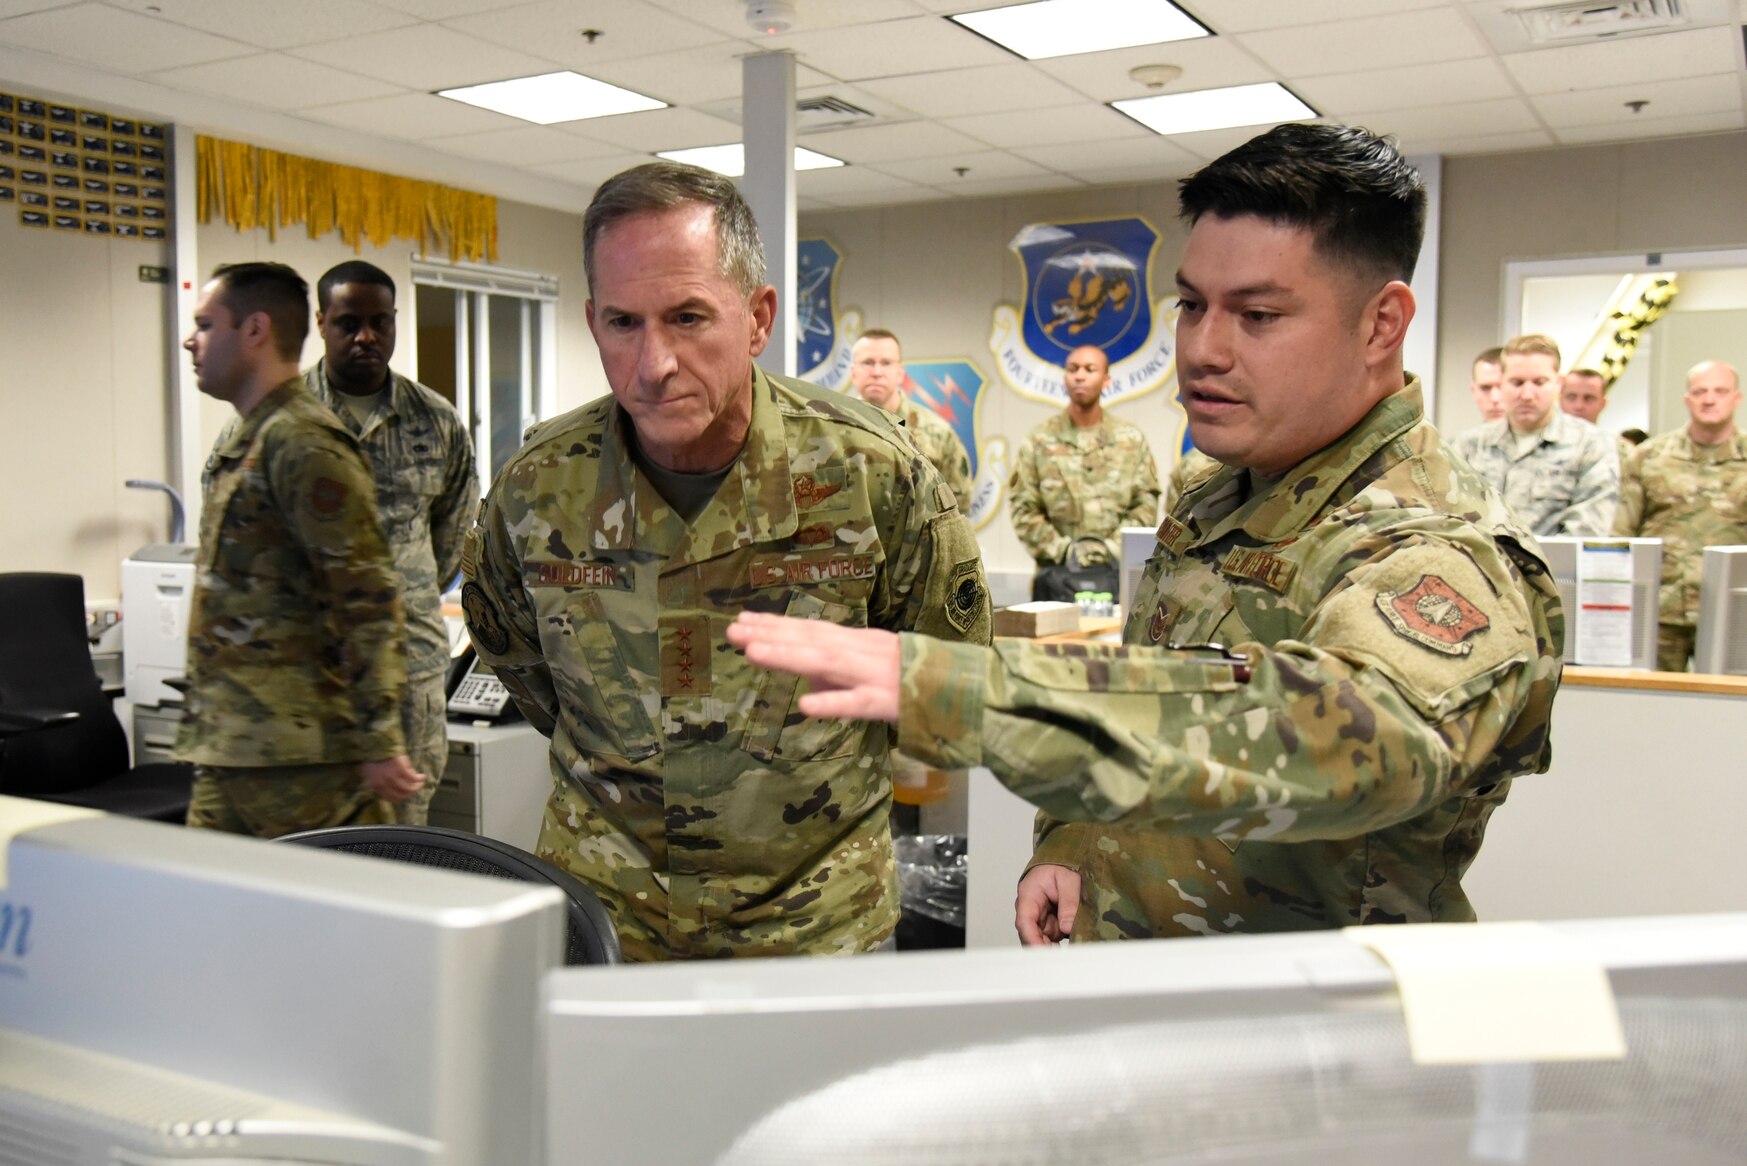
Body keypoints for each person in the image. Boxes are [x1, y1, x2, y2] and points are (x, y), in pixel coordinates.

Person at [730, 123, 1563, 945]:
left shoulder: (1431, 544)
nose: (1202, 349)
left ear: (1381, 324)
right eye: (1193, 305)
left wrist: (967, 691)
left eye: (1258, 315)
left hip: (1296, 1038)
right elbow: (1165, 687)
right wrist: (1070, 843)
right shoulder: (1214, 493)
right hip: (1140, 996)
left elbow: (1356, 738)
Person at [459, 161, 990, 961]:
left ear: (757, 318)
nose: (654, 363)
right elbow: (519, 661)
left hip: (813, 929)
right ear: (591, 320)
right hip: (606, 922)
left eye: (687, 317)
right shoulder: (538, 486)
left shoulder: (870, 474)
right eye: (622, 323)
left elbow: (946, 679)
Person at [176, 262, 422, 837]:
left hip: (302, 755)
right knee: (199, 915)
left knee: (335, 915)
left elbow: (369, 600)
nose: (192, 340)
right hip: (233, 745)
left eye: (207, 324)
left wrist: (381, 739)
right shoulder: (251, 438)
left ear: (255, 330)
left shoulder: (303, 442)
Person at [304, 260, 475, 824]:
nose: (366, 337)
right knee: (316, 841)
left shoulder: (436, 421)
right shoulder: (283, 418)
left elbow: (452, 541)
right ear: (321, 322)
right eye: (348, 323)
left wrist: (406, 581)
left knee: (406, 832)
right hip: (312, 675)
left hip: (409, 667)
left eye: (380, 322)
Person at [1613, 360, 1747, 672]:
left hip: (1734, 611)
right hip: (1660, 611)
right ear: (1688, 399)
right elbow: (1621, 536)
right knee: (1650, 704)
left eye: (1720, 391)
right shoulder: (1648, 457)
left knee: (1733, 709)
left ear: (1736, 398)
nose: (1709, 399)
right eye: (1700, 392)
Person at [1008, 344, 1160, 594]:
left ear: (1106, 379)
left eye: (1090, 369)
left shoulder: (1130, 439)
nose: (1080, 375)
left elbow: (1145, 502)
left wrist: (1110, 549)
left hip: (1116, 576)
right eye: (1072, 369)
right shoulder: (1040, 439)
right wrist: (1065, 550)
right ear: (1065, 378)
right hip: (1056, 577)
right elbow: (1024, 507)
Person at [1450, 333, 1619, 536]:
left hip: (1552, 565)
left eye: (1539, 383)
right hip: (1476, 565)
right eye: (1517, 383)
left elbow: (1586, 530)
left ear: (1558, 384)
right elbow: (1447, 520)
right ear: (1502, 382)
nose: (1527, 395)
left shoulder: (1591, 445)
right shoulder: (1468, 446)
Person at [850, 328, 973, 506]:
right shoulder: (834, 427)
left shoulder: (937, 432)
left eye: (886, 363)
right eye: (868, 362)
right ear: (854, 372)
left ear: (900, 372)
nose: (877, 372)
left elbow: (959, 504)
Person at [1468, 346, 1505, 424]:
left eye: (1503, 387)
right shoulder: (1465, 436)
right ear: (1474, 392)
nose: (1495, 399)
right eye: (1485, 388)